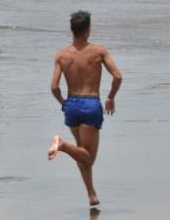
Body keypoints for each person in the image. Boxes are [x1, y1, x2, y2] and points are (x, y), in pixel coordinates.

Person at [48, 11, 122, 207]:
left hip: (71, 104)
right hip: (90, 104)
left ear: (71, 30)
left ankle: (91, 194)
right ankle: (62, 145)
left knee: (81, 152)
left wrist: (63, 103)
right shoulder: (99, 52)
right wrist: (111, 97)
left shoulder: (62, 56)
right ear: (88, 30)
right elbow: (117, 76)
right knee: (88, 158)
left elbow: (54, 87)